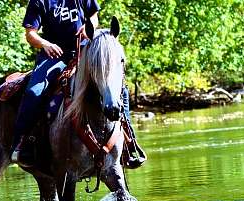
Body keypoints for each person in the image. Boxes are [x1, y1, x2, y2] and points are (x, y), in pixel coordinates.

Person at [11, 0, 146, 168]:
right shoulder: (39, 1)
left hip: (84, 51)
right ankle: (22, 143)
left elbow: (93, 16)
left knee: (120, 89)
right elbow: (30, 34)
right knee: (34, 92)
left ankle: (129, 141)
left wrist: (89, 27)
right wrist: (46, 44)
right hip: (54, 55)